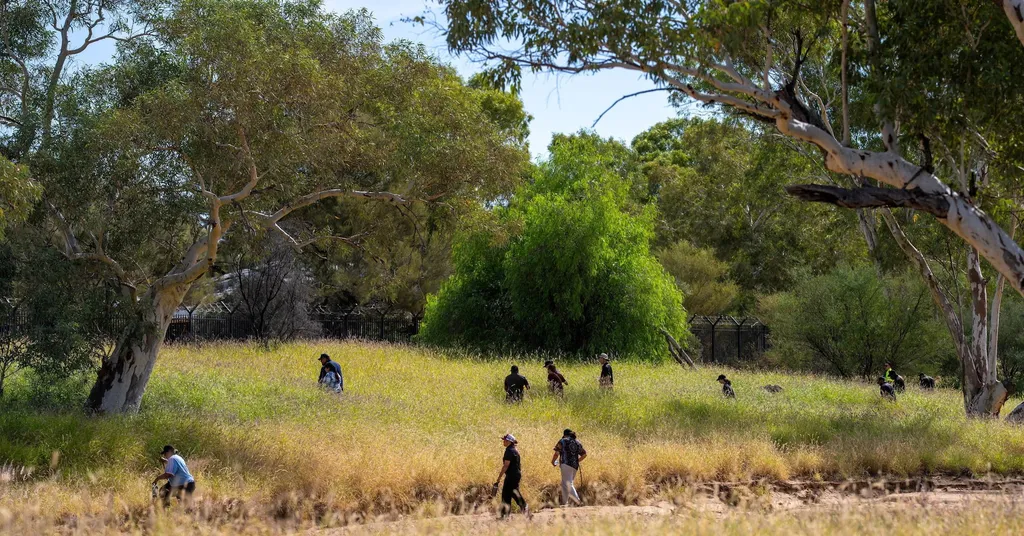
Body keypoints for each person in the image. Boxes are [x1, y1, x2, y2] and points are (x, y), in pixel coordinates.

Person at [494, 433, 530, 519]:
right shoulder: (514, 449)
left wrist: (499, 478)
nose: (503, 442)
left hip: (511, 475)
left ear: (509, 441)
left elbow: (506, 466)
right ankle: (524, 508)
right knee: (513, 493)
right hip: (516, 475)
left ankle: (505, 515)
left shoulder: (509, 451)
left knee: (506, 494)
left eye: (505, 440)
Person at [551, 428, 587, 506]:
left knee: (568, 483)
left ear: (564, 434)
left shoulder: (562, 441)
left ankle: (578, 501)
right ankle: (564, 503)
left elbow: (556, 453)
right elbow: (584, 454)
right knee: (565, 483)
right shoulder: (577, 442)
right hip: (575, 466)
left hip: (566, 464)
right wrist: (578, 461)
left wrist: (553, 461)